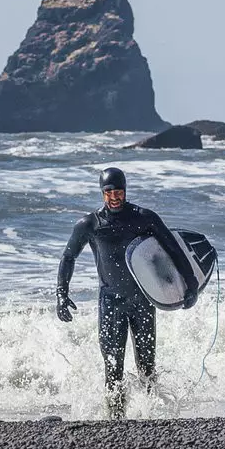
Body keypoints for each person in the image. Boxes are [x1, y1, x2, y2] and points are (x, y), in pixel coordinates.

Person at [55, 166, 199, 418]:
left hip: (142, 301)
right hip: (110, 303)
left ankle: (150, 413)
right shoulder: (90, 224)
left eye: (119, 191)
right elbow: (69, 257)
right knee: (113, 367)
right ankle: (116, 417)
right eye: (109, 192)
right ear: (102, 193)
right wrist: (61, 293)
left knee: (147, 366)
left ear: (125, 190)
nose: (114, 197)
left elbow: (173, 249)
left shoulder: (143, 217)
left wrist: (191, 285)